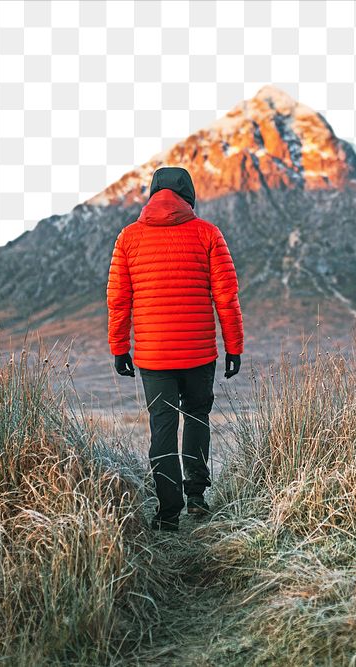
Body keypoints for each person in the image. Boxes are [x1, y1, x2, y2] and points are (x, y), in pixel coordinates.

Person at [106, 166, 244, 531]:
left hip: (154, 357)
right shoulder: (207, 234)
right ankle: (196, 497)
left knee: (162, 428)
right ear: (189, 195)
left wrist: (120, 348)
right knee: (197, 418)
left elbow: (119, 301)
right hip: (199, 355)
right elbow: (226, 299)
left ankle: (168, 515)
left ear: (152, 193)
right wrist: (234, 347)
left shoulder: (128, 238)